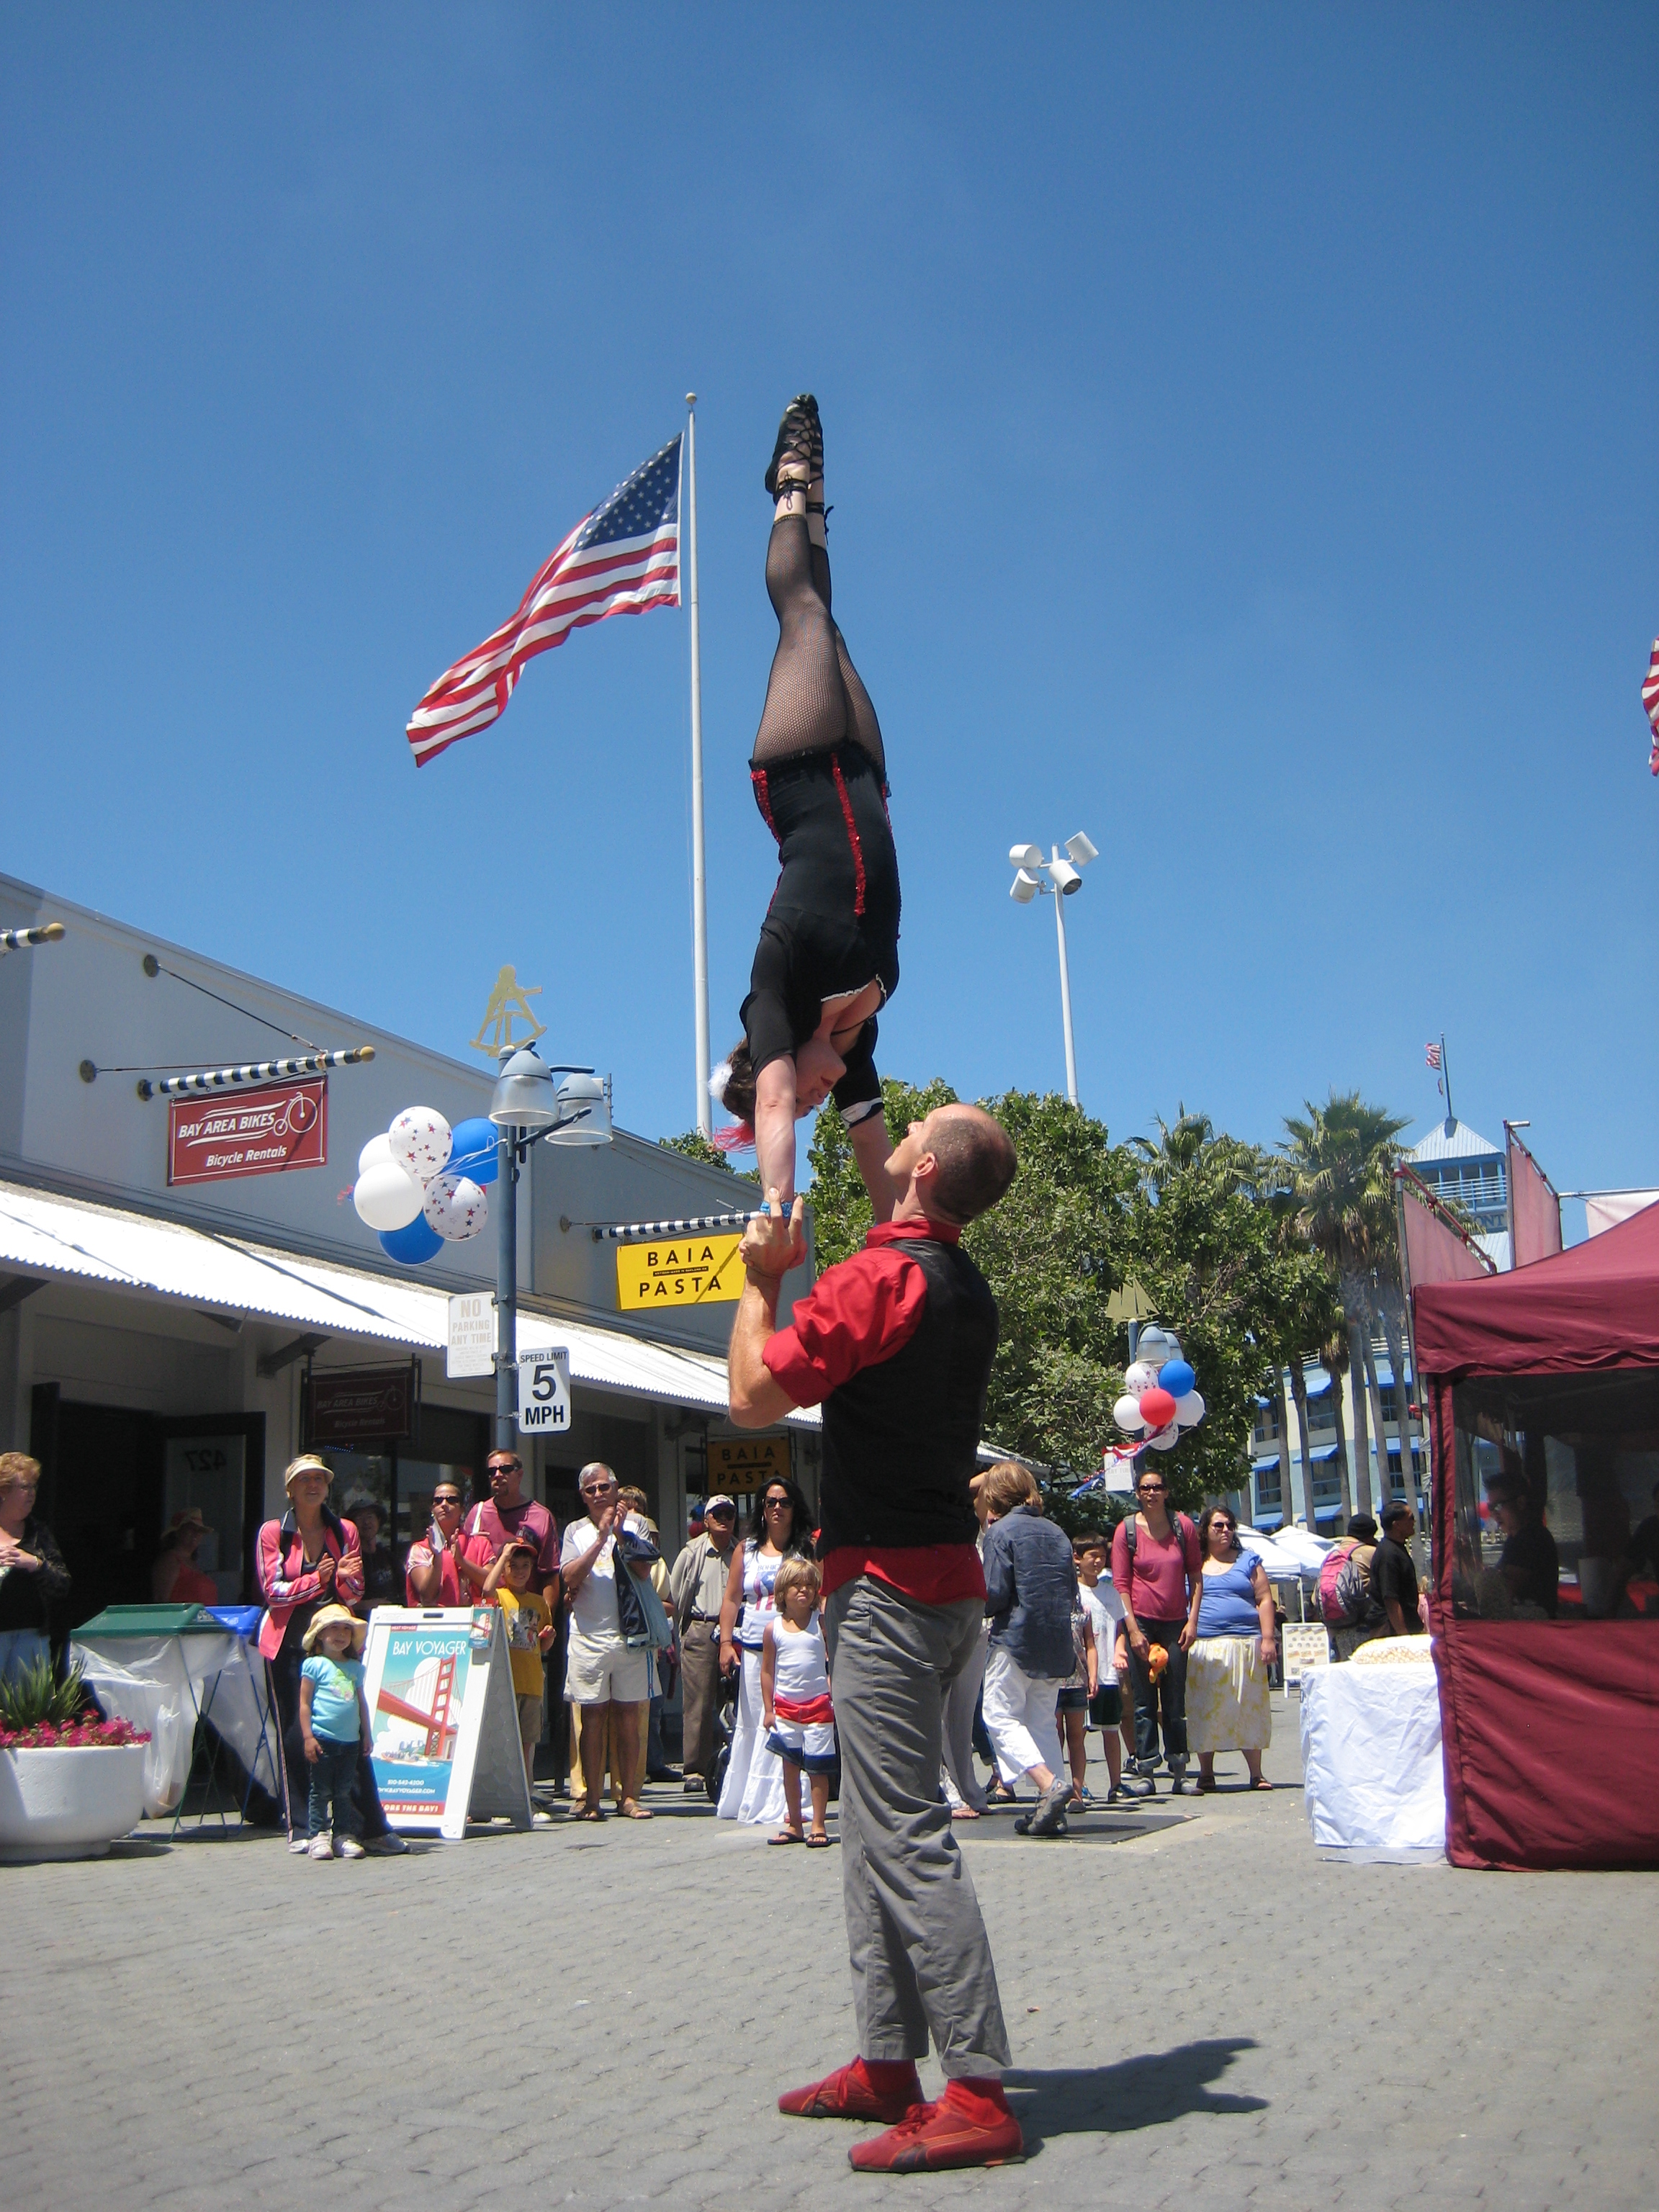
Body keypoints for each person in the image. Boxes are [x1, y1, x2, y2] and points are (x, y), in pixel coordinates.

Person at [729, 1100, 1025, 2173]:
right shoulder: (954, 1279)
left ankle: (979, 2091)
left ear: (926, 1167)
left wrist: (760, 1277)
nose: (894, 1132)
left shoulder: (879, 1281)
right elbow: (877, 1169)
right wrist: (852, 1080)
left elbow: (751, 1397)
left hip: (889, 1594)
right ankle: (888, 2063)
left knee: (902, 1832)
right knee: (869, 1830)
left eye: (914, 1127)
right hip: (940, 1584)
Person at [711, 395, 900, 1218]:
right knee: (834, 627)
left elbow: (775, 1099)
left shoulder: (775, 992)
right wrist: (908, 1232)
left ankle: (788, 483)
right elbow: (875, 1152)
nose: (821, 1097)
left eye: (803, 1096)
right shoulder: (857, 1037)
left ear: (773, 1060)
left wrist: (777, 1207)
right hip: (862, 773)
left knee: (804, 614)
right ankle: (815, 506)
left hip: (797, 767)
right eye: (821, 1101)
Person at [256, 1456, 405, 1857]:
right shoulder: (273, 1533)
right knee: (296, 1736)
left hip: (337, 1644)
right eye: (304, 1479)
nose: (313, 1485)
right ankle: (305, 1827)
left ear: (327, 1487)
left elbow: (354, 1593)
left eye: (319, 1479)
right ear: (290, 1490)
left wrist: (343, 1580)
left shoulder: (345, 1530)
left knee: (349, 1733)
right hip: (288, 1645)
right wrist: (318, 1580)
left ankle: (366, 1827)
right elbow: (272, 1592)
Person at [979, 1462, 1079, 1838]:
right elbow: (1071, 1590)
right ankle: (1053, 1808)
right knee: (1041, 1723)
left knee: (998, 1714)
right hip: (1056, 1640)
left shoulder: (1000, 1531)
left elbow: (995, 1593)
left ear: (995, 1496)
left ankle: (1047, 1784)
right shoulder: (1057, 1532)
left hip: (1016, 1639)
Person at [716, 1475, 815, 1827]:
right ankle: (752, 1799)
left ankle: (790, 1803)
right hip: (754, 1650)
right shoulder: (746, 1550)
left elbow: (820, 1598)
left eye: (784, 1502)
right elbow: (731, 1599)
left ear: (794, 1508)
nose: (777, 1508)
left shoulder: (806, 1550)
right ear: (761, 1508)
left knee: (788, 1725)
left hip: (796, 1651)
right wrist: (726, 1643)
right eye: (770, 1502)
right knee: (756, 1722)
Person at [558, 1462, 652, 1822]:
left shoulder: (636, 1524)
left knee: (629, 1717)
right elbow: (569, 1576)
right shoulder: (575, 1531)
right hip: (589, 1638)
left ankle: (628, 1797)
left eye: (604, 1487)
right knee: (592, 1717)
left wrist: (620, 1533)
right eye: (590, 1490)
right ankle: (592, 1800)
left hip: (631, 1636)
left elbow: (644, 1569)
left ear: (616, 1488)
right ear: (582, 1496)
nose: (598, 1494)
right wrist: (600, 1538)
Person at [1112, 1466, 1200, 1796]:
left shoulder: (1183, 1526)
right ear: (1137, 1493)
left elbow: (1196, 1575)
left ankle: (1180, 1771)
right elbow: (1121, 1584)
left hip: (1176, 1622)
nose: (1152, 1493)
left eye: (1157, 1487)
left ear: (1166, 1492)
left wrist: (1193, 1621)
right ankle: (1146, 1771)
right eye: (1146, 1488)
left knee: (1175, 1701)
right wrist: (1132, 1630)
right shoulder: (1126, 1530)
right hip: (1142, 1622)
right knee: (1144, 1702)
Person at [1184, 1506, 1276, 1791]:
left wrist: (1268, 1638)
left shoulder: (1248, 1560)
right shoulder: (1193, 1562)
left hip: (1245, 1644)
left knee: (1248, 1708)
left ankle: (1256, 1774)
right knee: (1204, 1708)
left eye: (1230, 1525)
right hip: (1203, 1646)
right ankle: (1206, 1773)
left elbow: (1264, 1599)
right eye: (1219, 1525)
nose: (1226, 1530)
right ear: (1205, 1530)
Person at [761, 1555, 835, 1847]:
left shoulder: (821, 1623)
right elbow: (767, 1671)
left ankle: (818, 1824)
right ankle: (794, 1823)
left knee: (818, 1769)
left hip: (819, 1707)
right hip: (785, 1710)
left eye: (809, 1585)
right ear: (782, 1591)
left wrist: (832, 1683)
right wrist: (769, 1710)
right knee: (789, 1768)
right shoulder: (773, 1629)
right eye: (796, 1585)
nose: (804, 1590)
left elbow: (835, 1656)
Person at [669, 1492, 739, 1794]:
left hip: (735, 1631)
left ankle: (732, 1763)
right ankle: (695, 1769)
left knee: (735, 1702)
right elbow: (674, 1596)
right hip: (701, 1628)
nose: (724, 1520)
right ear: (707, 1520)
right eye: (717, 1514)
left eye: (729, 1514)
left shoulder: (741, 1552)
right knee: (698, 1703)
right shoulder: (691, 1553)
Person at [482, 1534, 556, 1822]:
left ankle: (526, 1799)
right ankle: (503, 1801)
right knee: (504, 1743)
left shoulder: (539, 1603)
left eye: (526, 1566)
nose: (520, 1571)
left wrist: (548, 1637)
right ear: (505, 1569)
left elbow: (543, 1643)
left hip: (532, 1682)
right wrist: (503, 1555)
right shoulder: (501, 1596)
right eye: (514, 1566)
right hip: (506, 1681)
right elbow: (486, 1589)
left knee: (528, 1744)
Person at [298, 1603, 372, 1861]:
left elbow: (361, 1703)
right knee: (320, 1790)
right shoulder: (314, 1665)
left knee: (344, 1790)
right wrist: (308, 1736)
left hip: (350, 1741)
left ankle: (343, 1834)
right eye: (334, 1628)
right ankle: (318, 1834)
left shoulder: (355, 1668)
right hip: (322, 1739)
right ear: (320, 1635)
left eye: (346, 1629)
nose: (341, 1634)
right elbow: (304, 1703)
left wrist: (367, 1734)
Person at [617, 1488, 677, 1784]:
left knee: (652, 1709)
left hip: (651, 1643)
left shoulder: (657, 1563)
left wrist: (647, 1601)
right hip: (618, 1640)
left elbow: (669, 1604)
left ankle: (649, 1764)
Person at [940, 1470, 991, 1818]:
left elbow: (989, 1478)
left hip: (978, 1626)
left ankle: (967, 1785)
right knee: (938, 1710)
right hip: (943, 1622)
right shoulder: (940, 1521)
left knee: (964, 1712)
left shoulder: (983, 1533)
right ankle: (945, 1787)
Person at [0, 1452, 70, 1685]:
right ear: (3, 1491)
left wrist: (35, 1564)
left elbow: (63, 1584)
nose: (32, 1494)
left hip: (31, 1637)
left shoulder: (38, 1533)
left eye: (34, 1487)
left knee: (29, 1705)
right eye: (25, 1487)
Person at [461, 1450, 559, 1613]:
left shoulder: (541, 1517)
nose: (497, 1475)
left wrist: (544, 1618)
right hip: (483, 1612)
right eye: (492, 1471)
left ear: (520, 1475)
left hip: (523, 1615)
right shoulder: (477, 1514)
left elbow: (549, 1575)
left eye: (505, 1469)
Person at [1075, 1532, 1125, 1800]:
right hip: (1081, 1674)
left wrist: (1120, 1650)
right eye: (1092, 1556)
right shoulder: (1073, 1593)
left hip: (1107, 1672)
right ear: (1077, 1558)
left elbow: (1120, 1627)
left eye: (1103, 1557)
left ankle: (1116, 1784)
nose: (1098, 1561)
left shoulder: (1110, 1592)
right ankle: (1078, 1784)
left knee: (1111, 1729)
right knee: (1078, 1731)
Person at [1489, 1480, 1560, 1617]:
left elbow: (1502, 1594)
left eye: (1498, 1506)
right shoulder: (1514, 1540)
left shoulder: (1531, 1538)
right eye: (1491, 1508)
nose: (1494, 1514)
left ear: (1520, 1503)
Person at [1323, 1513, 1388, 1661]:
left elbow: (1315, 1599)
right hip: (1364, 1626)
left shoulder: (1331, 1556)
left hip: (1337, 1632)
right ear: (1369, 1535)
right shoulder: (1371, 1552)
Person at [404, 1480, 469, 1606]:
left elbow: (490, 1585)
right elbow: (427, 1595)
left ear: (462, 1509)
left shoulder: (479, 1544)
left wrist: (462, 1562)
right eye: (438, 1501)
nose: (444, 1504)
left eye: (451, 1500)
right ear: (432, 1509)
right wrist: (438, 1557)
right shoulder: (420, 1549)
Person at [1371, 1501, 1425, 1636]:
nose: (1414, 1522)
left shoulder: (1397, 1549)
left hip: (1407, 1625)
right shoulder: (1388, 1554)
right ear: (1397, 1525)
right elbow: (1390, 1600)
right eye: (1410, 1518)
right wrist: (1403, 1636)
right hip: (1392, 1631)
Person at [150, 1506, 219, 1606]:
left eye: (200, 1531)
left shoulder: (194, 1564)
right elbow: (161, 1600)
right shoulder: (170, 1559)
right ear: (178, 1532)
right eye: (191, 1529)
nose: (196, 1534)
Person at [344, 1498, 399, 1609]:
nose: (366, 1522)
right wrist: (367, 1605)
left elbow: (403, 1590)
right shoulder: (349, 1559)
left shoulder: (389, 1557)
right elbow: (342, 1601)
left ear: (379, 1521)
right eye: (360, 1518)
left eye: (370, 1517)